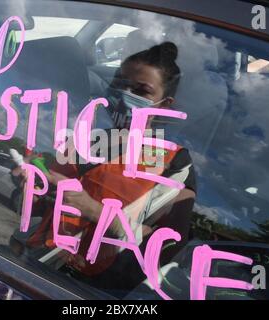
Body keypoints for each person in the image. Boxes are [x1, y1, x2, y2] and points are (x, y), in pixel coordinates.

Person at [10, 42, 196, 293]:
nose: (124, 94)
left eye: (141, 91)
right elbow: (37, 209)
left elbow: (169, 249)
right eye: (120, 84)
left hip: (99, 291)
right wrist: (33, 185)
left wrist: (97, 212)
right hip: (37, 268)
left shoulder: (173, 162)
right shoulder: (84, 139)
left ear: (163, 105)